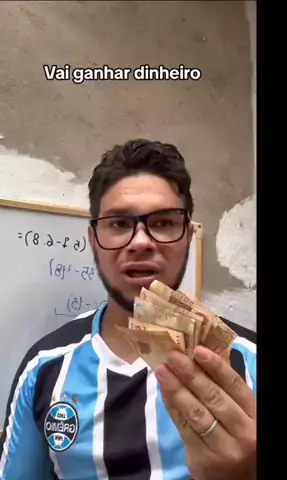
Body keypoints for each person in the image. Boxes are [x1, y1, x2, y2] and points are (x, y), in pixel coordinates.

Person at [0, 139, 257, 480]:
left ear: (187, 236)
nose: (141, 242)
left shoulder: (251, 362)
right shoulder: (44, 368)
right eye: (119, 224)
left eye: (163, 223)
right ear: (93, 240)